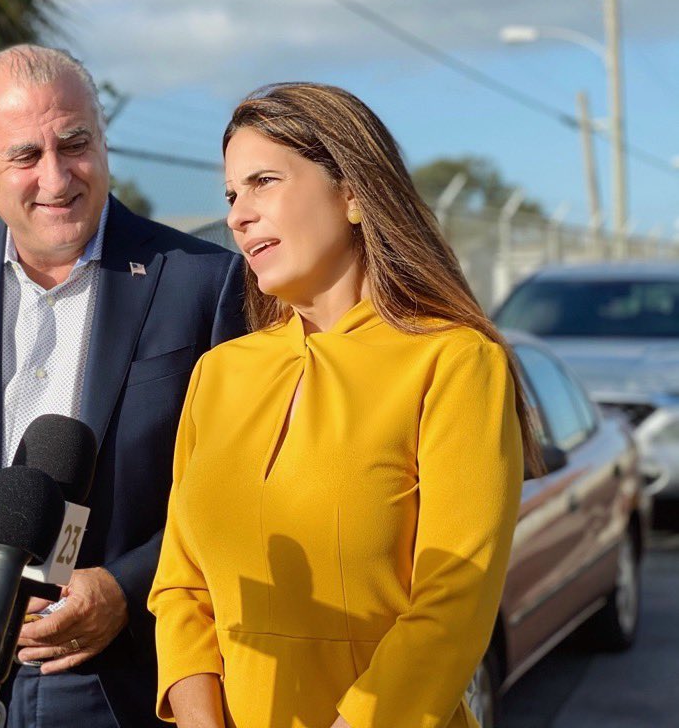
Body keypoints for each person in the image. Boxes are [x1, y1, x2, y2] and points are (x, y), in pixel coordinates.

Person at [0, 44, 247, 728]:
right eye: (25, 156)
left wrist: (127, 588)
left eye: (75, 144)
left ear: (102, 141)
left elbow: (238, 486)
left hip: (130, 684)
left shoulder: (203, 282)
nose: (57, 176)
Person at [148, 82, 541, 728]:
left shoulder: (454, 364)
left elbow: (453, 606)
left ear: (353, 193)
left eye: (263, 182)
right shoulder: (216, 376)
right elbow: (180, 589)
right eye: (230, 194)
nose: (236, 215)